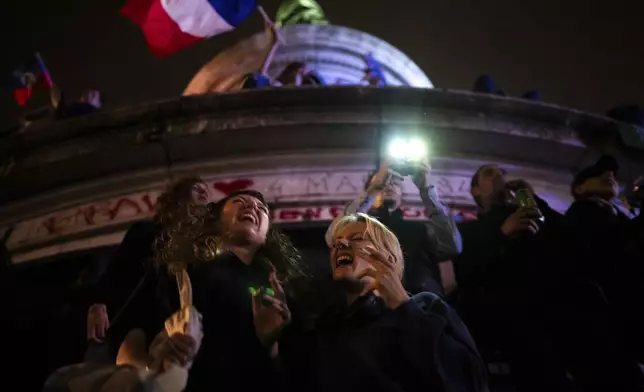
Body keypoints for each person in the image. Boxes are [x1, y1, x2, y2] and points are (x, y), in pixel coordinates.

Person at [455, 164, 642, 392]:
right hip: (522, 318)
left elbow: (572, 238)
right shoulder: (469, 230)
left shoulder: (532, 212)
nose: (499, 176)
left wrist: (534, 199)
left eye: (501, 173)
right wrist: (501, 234)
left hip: (570, 306)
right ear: (475, 190)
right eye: (489, 173)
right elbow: (468, 273)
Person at [280, 213, 488, 392]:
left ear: (389, 256)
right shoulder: (327, 325)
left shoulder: (427, 307)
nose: (340, 245)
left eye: (357, 238)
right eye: (336, 243)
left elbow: (469, 381)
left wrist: (402, 306)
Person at [181, 189, 306, 392]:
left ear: (267, 236)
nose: (251, 207)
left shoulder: (286, 292)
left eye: (261, 209)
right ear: (217, 222)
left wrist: (270, 345)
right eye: (239, 201)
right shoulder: (189, 273)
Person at [86, 177, 212, 358]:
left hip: (183, 332)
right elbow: (116, 271)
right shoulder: (147, 232)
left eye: (206, 191)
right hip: (140, 326)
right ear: (179, 197)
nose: (204, 192)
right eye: (197, 188)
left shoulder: (203, 246)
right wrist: (98, 304)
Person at [327, 161, 461, 296]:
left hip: (419, 305)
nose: (389, 185)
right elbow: (333, 238)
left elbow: (452, 247)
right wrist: (374, 189)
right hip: (373, 306)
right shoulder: (359, 233)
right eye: (386, 182)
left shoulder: (420, 229)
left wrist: (426, 190)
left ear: (402, 194)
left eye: (396, 183)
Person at [566, 156, 644, 368]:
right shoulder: (581, 215)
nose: (609, 176)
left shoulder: (615, 215)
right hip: (607, 327)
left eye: (612, 176)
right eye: (598, 175)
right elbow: (612, 250)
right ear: (579, 189)